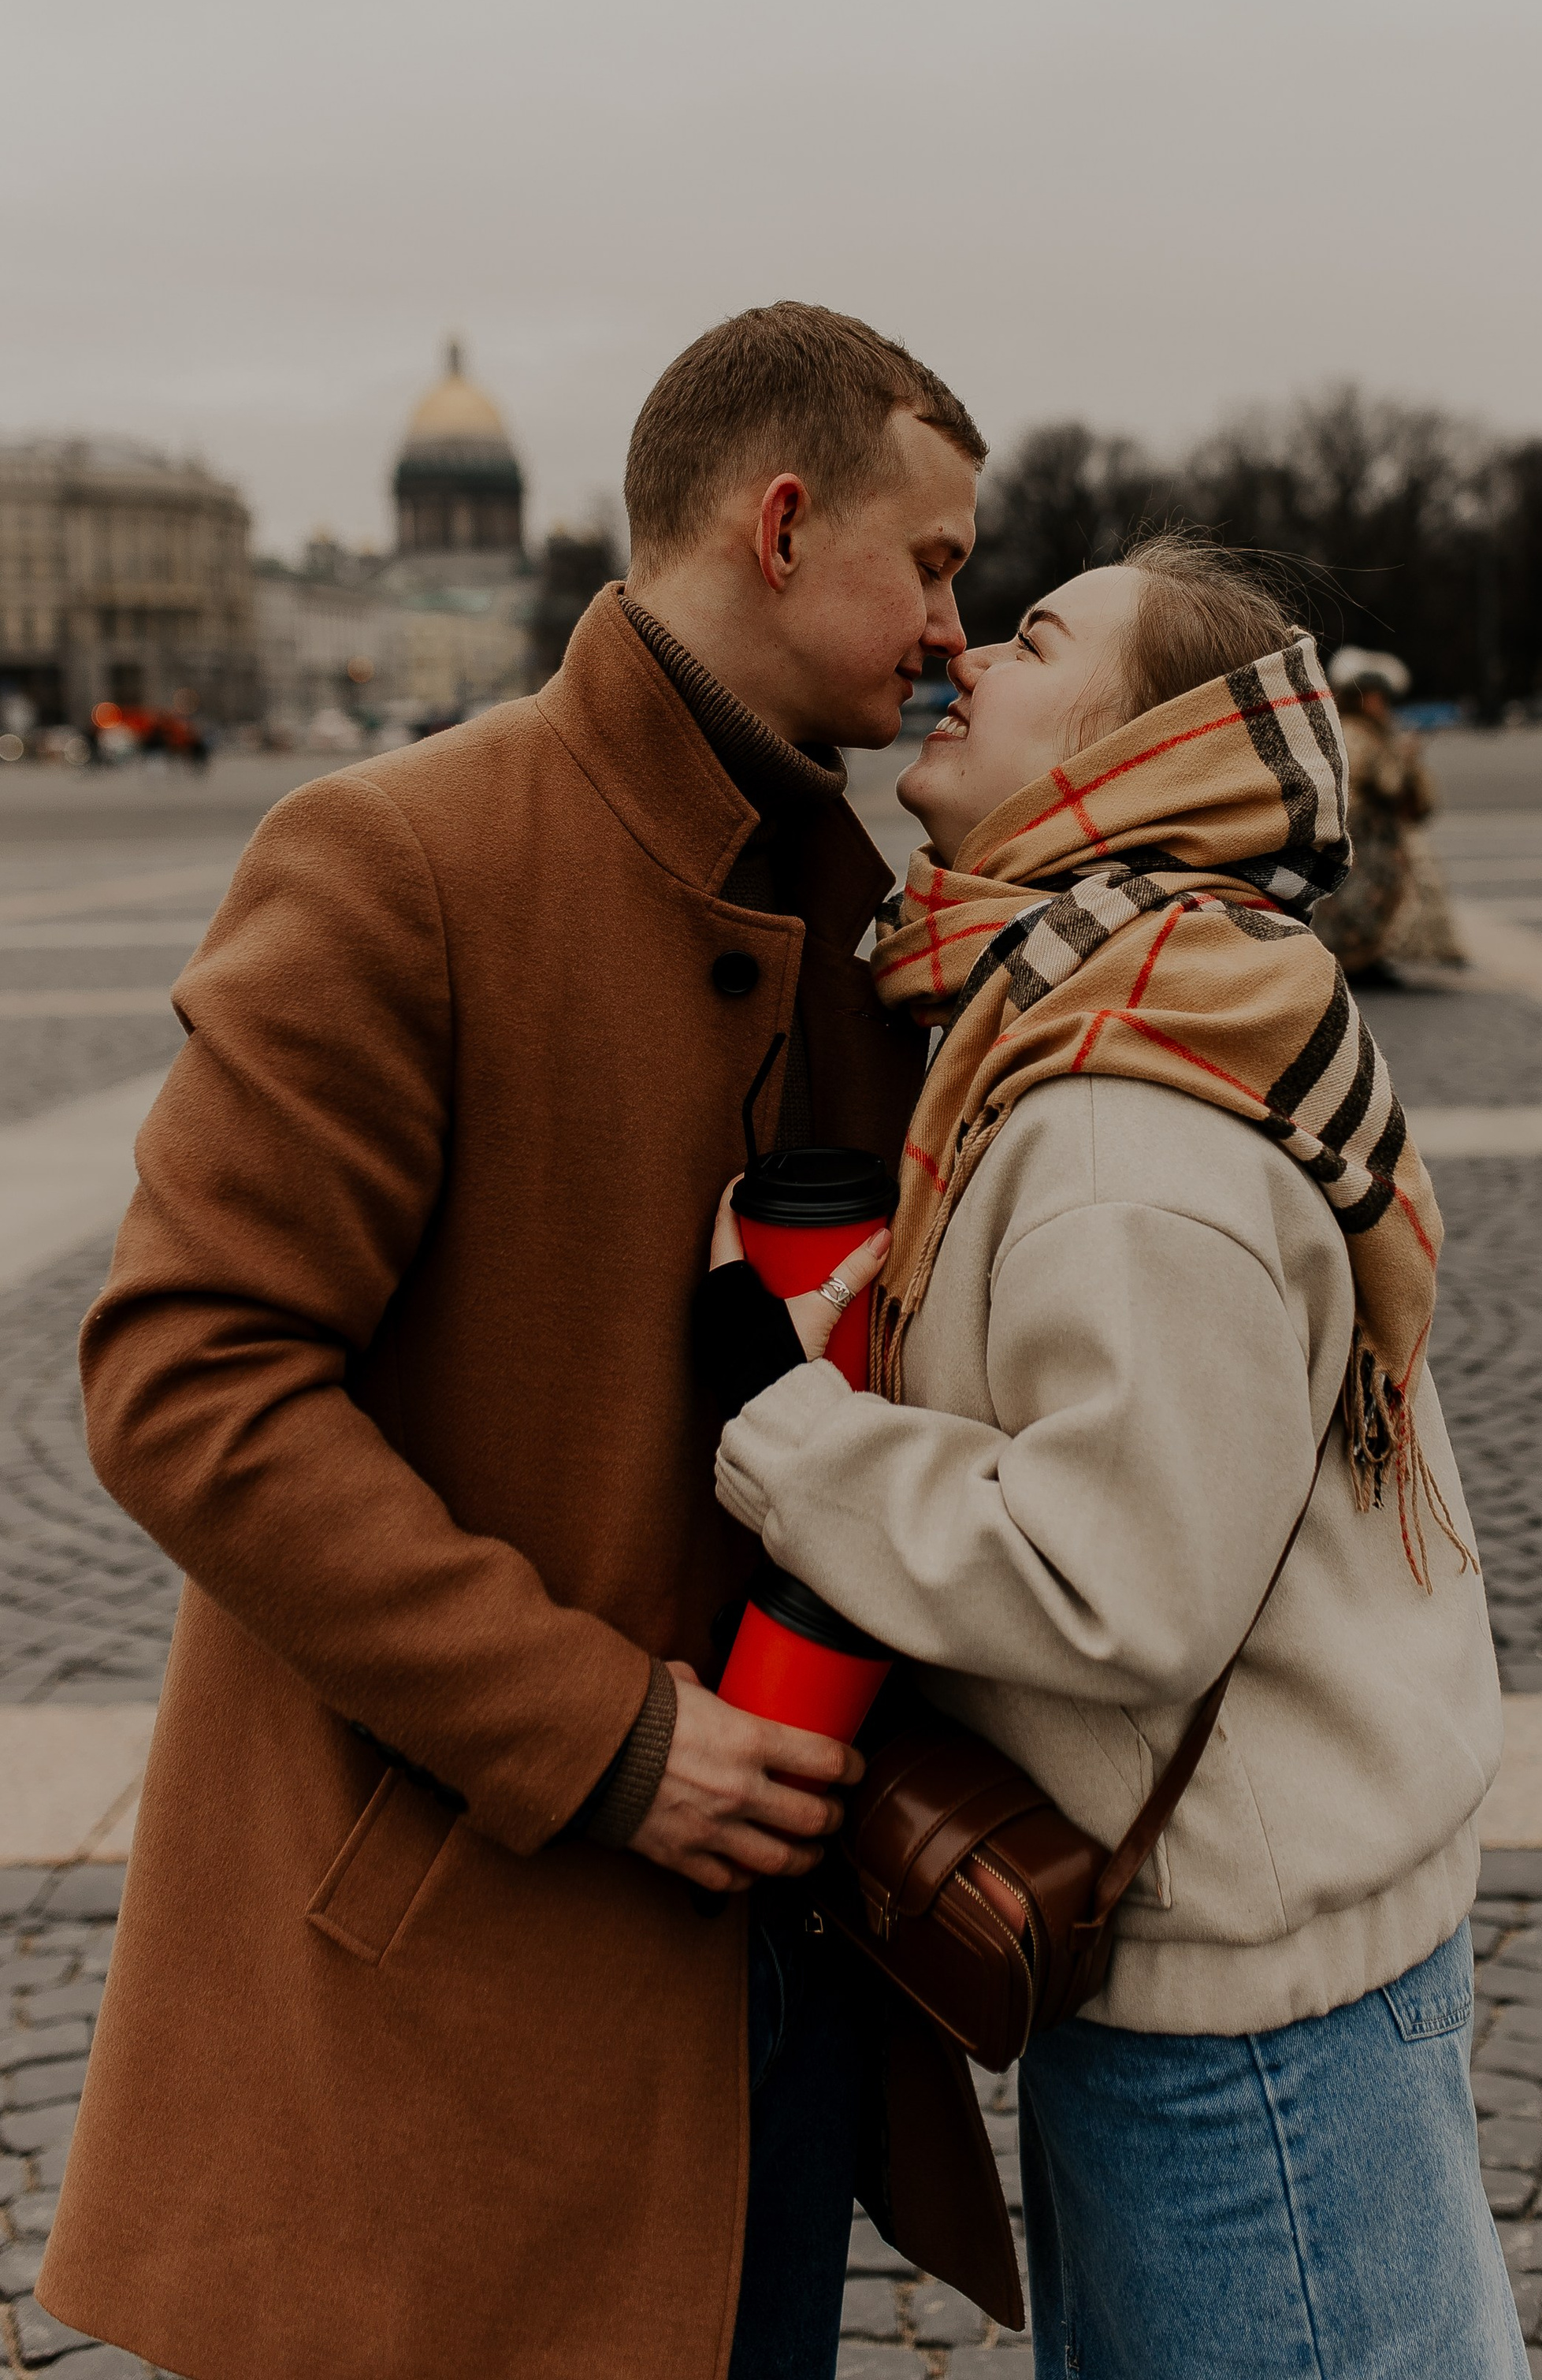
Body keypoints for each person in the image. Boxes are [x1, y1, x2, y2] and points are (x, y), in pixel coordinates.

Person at [41, 304, 1021, 2380]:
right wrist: (602, 1735)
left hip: (772, 1970)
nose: (960, 623)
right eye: (932, 563)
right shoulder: (404, 855)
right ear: (778, 523)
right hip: (468, 1973)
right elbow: (185, 1387)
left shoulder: (859, 899)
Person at [710, 534, 1520, 2380]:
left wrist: (782, 1427)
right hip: (1230, 1950)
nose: (967, 651)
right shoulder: (1097, 1001)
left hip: (1245, 2014)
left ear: (1134, 752)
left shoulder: (1107, 1098)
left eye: (1035, 636)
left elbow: (1116, 1568)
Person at [1313, 646, 1462, 986]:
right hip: (1360, 838)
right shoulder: (1356, 733)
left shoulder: (1362, 731)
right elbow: (1388, 783)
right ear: (1360, 698)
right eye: (1376, 697)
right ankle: (1358, 962)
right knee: (1359, 903)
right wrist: (1405, 757)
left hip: (1372, 838)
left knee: (1369, 903)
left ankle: (1368, 958)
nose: (1383, 705)